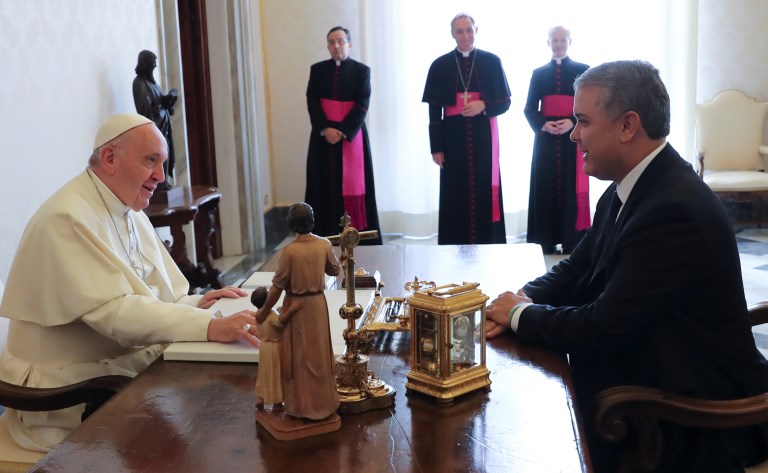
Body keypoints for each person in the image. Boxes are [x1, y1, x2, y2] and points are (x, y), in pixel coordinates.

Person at [486, 60, 768, 471]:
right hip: (644, 366)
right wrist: (521, 299)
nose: (574, 135)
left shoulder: (674, 210)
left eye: (582, 121)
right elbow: (577, 267)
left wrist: (519, 315)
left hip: (686, 410)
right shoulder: (630, 182)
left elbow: (602, 328)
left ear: (627, 125)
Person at [0, 113, 261, 452]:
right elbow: (116, 312)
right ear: (109, 158)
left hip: (119, 369)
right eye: (150, 161)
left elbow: (151, 294)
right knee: (202, 433)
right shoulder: (66, 217)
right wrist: (209, 324)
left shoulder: (126, 208)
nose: (160, 177)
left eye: (162, 163)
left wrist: (197, 304)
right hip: (69, 394)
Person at [422, 13, 511, 245]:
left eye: (469, 30)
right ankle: (455, 244)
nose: (465, 35)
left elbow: (505, 102)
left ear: (476, 31)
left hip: (483, 138)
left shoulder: (492, 61)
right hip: (452, 140)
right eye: (460, 31)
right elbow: (434, 112)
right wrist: (436, 148)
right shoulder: (440, 65)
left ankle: (488, 243)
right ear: (452, 34)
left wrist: (483, 105)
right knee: (455, 194)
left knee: (483, 192)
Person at [254, 203, 341, 420]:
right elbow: (334, 269)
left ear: (291, 224)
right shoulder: (324, 244)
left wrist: (264, 310)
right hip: (317, 306)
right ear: (312, 221)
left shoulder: (290, 251)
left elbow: (277, 287)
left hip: (296, 307)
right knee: (319, 354)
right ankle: (324, 403)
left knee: (300, 357)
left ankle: (302, 406)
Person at [304, 26, 382, 244]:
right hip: (323, 138)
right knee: (322, 186)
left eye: (340, 41)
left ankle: (358, 238)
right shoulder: (317, 70)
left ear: (349, 44)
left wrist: (343, 131)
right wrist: (325, 129)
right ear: (328, 46)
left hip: (351, 137)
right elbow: (312, 101)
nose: (336, 46)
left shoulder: (362, 71)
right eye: (331, 42)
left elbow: (362, 105)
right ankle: (322, 236)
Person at [524, 26, 590, 254]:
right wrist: (543, 124)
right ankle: (545, 240)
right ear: (548, 43)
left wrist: (573, 121)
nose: (559, 44)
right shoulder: (538, 73)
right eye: (555, 40)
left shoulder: (584, 71)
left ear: (570, 41)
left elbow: (590, 105)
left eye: (563, 40)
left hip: (573, 139)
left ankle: (572, 240)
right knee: (545, 186)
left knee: (572, 186)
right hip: (546, 140)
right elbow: (530, 108)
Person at [250, 286, 303, 410]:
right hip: (274, 347)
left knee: (264, 373)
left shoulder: (259, 314)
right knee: (275, 374)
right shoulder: (269, 314)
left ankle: (260, 397)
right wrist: (292, 309)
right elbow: (280, 322)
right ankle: (276, 401)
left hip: (264, 347)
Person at [133, 50, 178, 191]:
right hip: (155, 127)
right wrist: (161, 105)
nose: (154, 68)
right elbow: (144, 110)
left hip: (163, 125)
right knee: (157, 154)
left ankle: (164, 181)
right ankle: (159, 184)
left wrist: (168, 99)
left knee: (166, 151)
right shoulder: (139, 83)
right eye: (152, 66)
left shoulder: (153, 83)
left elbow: (158, 101)